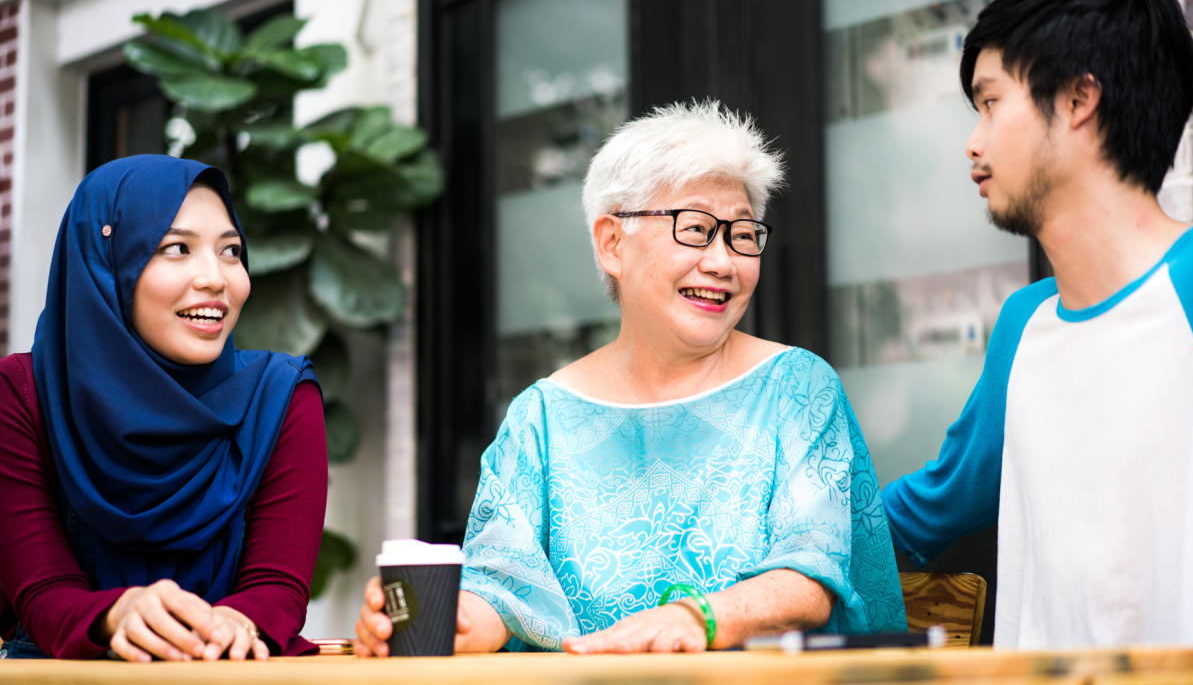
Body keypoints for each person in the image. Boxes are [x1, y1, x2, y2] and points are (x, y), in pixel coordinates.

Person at [354, 101, 906, 655]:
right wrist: (442, 619)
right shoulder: (541, 417)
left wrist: (698, 621)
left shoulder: (798, 389)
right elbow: (501, 591)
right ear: (612, 243)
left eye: (742, 234)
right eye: (695, 229)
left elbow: (811, 576)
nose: (723, 262)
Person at [882, 0, 1193, 649]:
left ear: (1079, 99)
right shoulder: (1023, 325)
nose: (972, 142)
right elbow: (922, 513)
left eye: (991, 102)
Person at [0, 155, 328, 661]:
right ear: (106, 265)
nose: (216, 279)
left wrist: (228, 626)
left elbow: (277, 588)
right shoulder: (23, 398)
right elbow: (43, 595)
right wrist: (120, 615)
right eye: (177, 248)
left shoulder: (280, 399)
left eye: (231, 251)